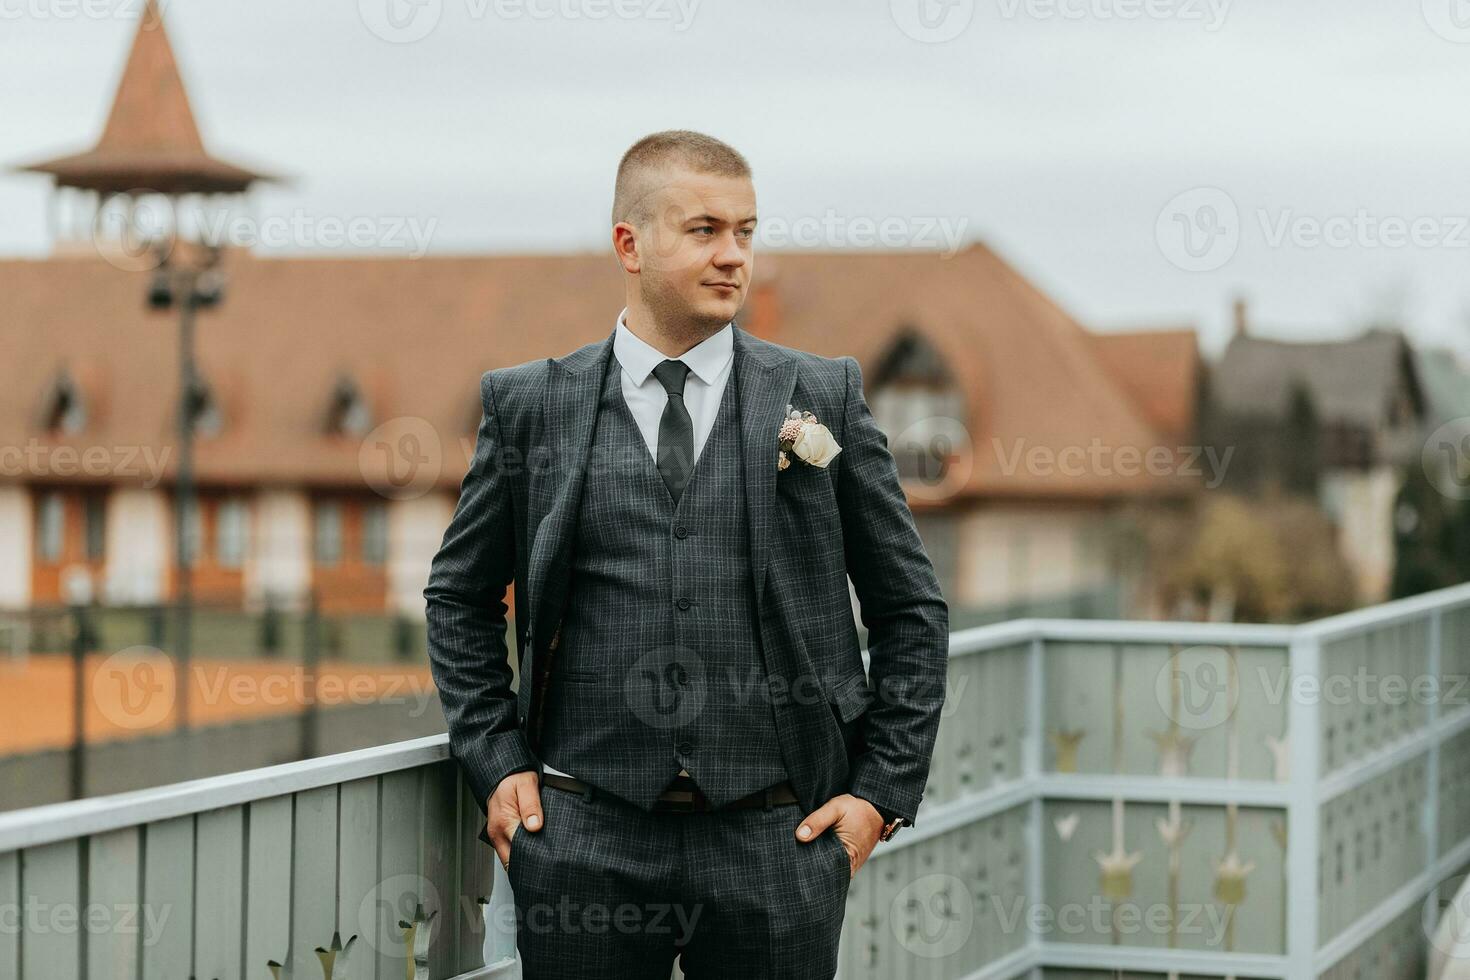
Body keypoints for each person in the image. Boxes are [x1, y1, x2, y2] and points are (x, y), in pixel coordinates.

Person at [424, 129, 948, 978]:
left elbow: (910, 608)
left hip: (778, 840)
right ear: (630, 244)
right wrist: (494, 760)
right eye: (704, 230)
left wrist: (881, 794)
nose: (734, 255)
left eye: (745, 231)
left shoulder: (825, 396)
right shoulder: (531, 407)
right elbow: (458, 597)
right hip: (581, 837)